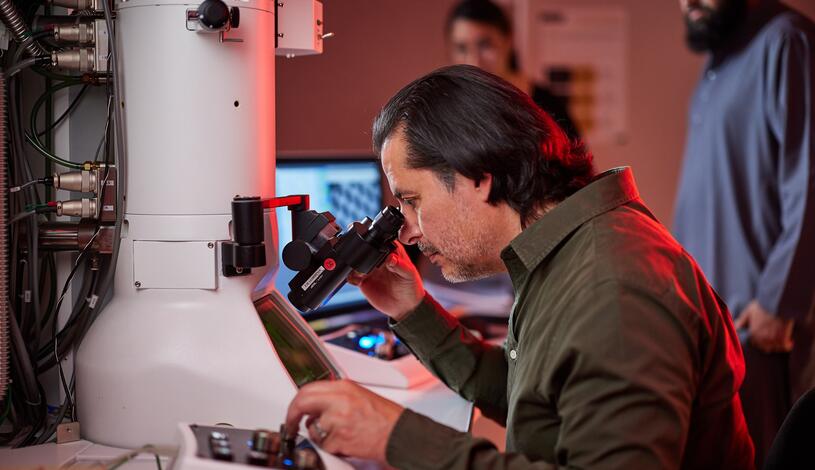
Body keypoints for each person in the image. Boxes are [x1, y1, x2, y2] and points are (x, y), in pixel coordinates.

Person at [285, 65, 755, 469]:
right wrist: (414, 311)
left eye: (412, 200)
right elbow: (531, 395)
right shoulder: (565, 251)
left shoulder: (613, 291)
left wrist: (396, 437)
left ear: (478, 177)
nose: (406, 231)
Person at [673, 0, 815, 466]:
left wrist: (779, 300)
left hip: (762, 326)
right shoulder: (718, 61)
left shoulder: (786, 41)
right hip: (718, 323)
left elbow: (808, 178)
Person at [445, 0, 580, 141]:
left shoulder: (546, 106)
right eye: (462, 48)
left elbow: (577, 160)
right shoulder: (445, 110)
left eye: (485, 45)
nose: (474, 61)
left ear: (508, 40)